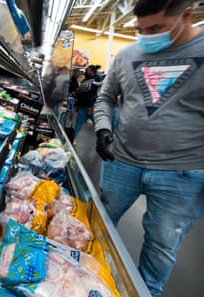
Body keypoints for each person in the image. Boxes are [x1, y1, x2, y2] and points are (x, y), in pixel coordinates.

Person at [93, 1, 204, 296]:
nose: (146, 36)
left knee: (161, 245)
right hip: (121, 162)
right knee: (98, 224)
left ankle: (146, 292)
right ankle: (87, 279)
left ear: (186, 14)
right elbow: (105, 97)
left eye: (155, 28)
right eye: (140, 29)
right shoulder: (127, 55)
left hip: (182, 174)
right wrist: (103, 128)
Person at [73, 65, 103, 141]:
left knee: (99, 126)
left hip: (91, 107)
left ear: (92, 71)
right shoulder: (86, 80)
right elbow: (81, 92)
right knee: (78, 124)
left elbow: (98, 94)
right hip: (83, 106)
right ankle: (73, 140)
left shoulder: (97, 80)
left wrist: (93, 107)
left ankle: (103, 142)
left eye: (88, 70)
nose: (86, 71)